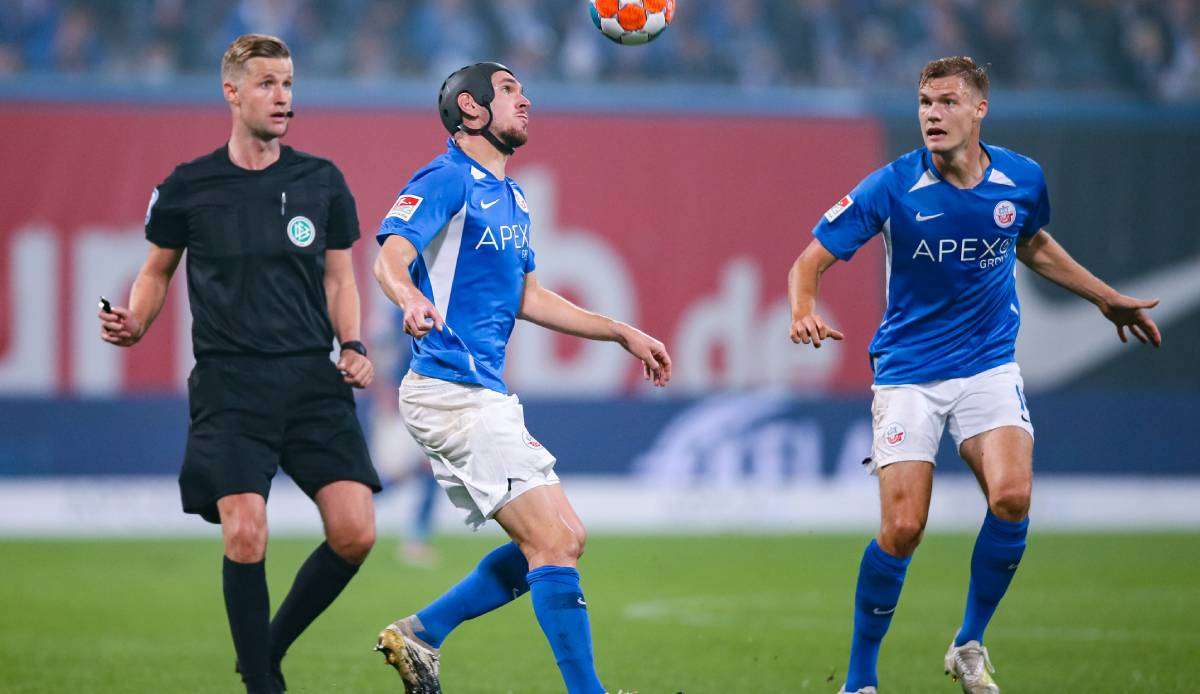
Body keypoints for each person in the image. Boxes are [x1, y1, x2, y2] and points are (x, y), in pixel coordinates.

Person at [787, 56, 1161, 694]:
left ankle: (967, 643)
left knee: (1012, 496)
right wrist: (802, 308)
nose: (932, 114)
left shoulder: (1021, 178)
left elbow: (1032, 241)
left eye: (947, 102)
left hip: (988, 364)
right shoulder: (892, 186)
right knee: (903, 529)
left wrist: (1104, 297)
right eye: (925, 102)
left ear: (978, 108)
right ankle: (859, 679)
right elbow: (809, 261)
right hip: (908, 372)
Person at [371, 61, 672, 694]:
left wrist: (620, 331)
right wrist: (409, 298)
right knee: (555, 542)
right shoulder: (446, 177)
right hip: (449, 392)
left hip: (482, 393)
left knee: (565, 539)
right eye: (509, 91)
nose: (526, 100)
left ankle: (423, 633)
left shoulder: (511, 194)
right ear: (472, 111)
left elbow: (529, 297)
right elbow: (390, 255)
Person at [98, 34, 382, 694]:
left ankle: (264, 647)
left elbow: (341, 279)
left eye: (288, 83)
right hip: (230, 384)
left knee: (355, 534)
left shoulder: (322, 181)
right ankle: (262, 683)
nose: (282, 95)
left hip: (312, 381)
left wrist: (355, 345)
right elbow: (155, 271)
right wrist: (137, 320)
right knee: (246, 533)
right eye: (266, 84)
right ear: (232, 92)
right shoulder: (187, 187)